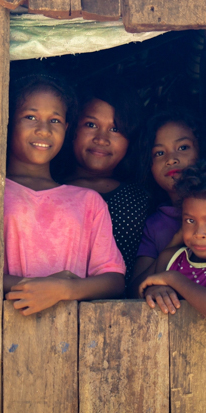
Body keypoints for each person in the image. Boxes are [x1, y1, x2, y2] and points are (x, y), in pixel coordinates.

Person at [3, 74, 126, 315]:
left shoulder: (88, 201)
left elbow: (114, 280)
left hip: (72, 335)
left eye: (55, 120)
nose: (44, 130)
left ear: (67, 128)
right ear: (7, 121)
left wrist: (64, 290)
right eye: (30, 117)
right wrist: (39, 289)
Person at [60, 81, 150, 289]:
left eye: (115, 129)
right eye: (91, 125)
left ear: (131, 139)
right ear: (72, 129)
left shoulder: (143, 198)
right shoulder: (48, 189)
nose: (101, 139)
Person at [138, 155, 206, 323]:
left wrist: (173, 279)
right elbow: (133, 291)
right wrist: (154, 290)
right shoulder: (171, 258)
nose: (199, 232)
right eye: (190, 220)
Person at [128, 110, 206, 296]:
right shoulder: (154, 225)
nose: (171, 159)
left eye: (183, 148)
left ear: (202, 151)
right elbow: (134, 290)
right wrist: (173, 245)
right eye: (159, 153)